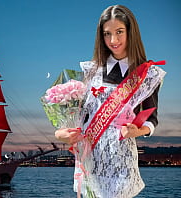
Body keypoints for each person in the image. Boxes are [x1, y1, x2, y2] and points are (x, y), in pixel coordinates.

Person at [55, 5, 166, 198]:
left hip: (121, 159)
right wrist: (61, 133)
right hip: (89, 157)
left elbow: (152, 119)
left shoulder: (147, 74)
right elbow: (79, 115)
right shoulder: (90, 71)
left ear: (131, 32)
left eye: (119, 32)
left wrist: (137, 131)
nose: (113, 40)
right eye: (107, 34)